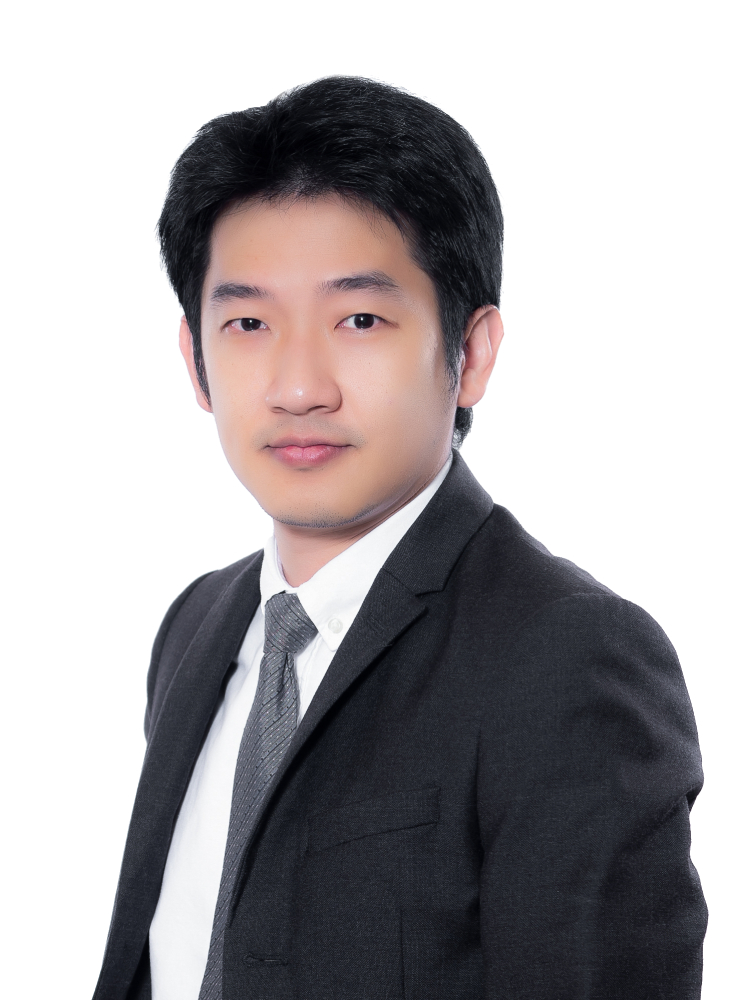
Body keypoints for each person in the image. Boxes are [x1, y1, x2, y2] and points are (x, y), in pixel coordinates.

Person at [93, 76, 707, 1000]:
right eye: (249, 323)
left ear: (472, 353)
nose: (300, 387)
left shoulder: (568, 659)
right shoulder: (197, 626)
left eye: (360, 320)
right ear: (196, 360)